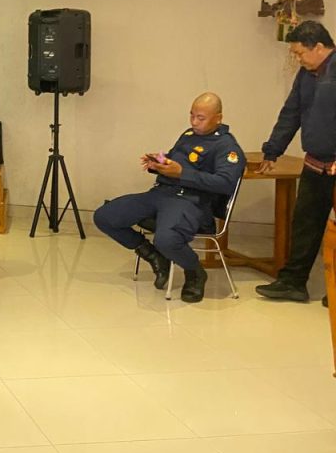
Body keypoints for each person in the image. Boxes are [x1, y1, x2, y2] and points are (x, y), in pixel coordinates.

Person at [93, 93, 245, 303]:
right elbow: (174, 161)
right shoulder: (188, 135)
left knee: (166, 240)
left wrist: (182, 174)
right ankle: (153, 255)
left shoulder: (227, 147)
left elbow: (225, 183)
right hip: (160, 193)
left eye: (200, 118)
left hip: (190, 201)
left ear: (218, 118)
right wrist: (159, 163)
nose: (194, 122)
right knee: (105, 216)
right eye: (191, 115)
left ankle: (195, 272)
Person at [255, 20, 336, 305]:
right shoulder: (306, 75)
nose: (297, 59)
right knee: (304, 224)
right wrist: (272, 151)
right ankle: (292, 282)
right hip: (315, 164)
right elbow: (291, 113)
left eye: (300, 53)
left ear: (319, 47)